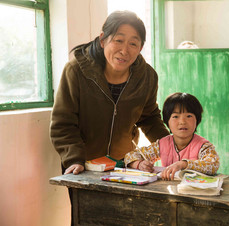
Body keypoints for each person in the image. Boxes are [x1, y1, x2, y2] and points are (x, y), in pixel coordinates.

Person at [50, 10, 169, 176]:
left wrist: (174, 149)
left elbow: (150, 119)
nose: (124, 50)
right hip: (84, 165)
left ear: (140, 48)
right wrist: (74, 159)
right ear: (102, 40)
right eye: (118, 40)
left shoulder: (147, 77)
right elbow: (63, 123)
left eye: (133, 44)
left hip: (124, 164)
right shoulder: (76, 71)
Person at [124, 92, 220, 180]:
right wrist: (139, 164)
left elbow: (212, 165)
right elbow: (130, 156)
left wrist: (183, 164)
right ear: (167, 122)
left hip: (195, 192)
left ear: (197, 120)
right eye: (175, 116)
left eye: (189, 116)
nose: (182, 122)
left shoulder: (203, 146)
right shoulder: (162, 144)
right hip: (168, 191)